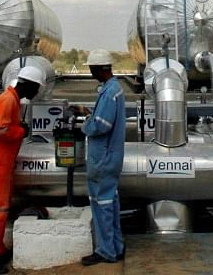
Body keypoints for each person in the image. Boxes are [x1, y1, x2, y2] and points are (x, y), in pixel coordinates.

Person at [0, 64, 44, 275]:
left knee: (0, 210)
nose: (36, 93)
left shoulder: (11, 99)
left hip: (0, 163)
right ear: (28, 85)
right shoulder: (8, 100)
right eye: (36, 88)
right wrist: (20, 131)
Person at [79, 49, 126, 266]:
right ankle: (116, 246)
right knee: (111, 203)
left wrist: (85, 125)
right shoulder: (113, 90)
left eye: (91, 69)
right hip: (111, 157)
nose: (90, 73)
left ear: (99, 69)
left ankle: (105, 251)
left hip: (103, 159)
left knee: (102, 205)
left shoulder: (109, 93)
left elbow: (101, 125)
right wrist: (90, 112)